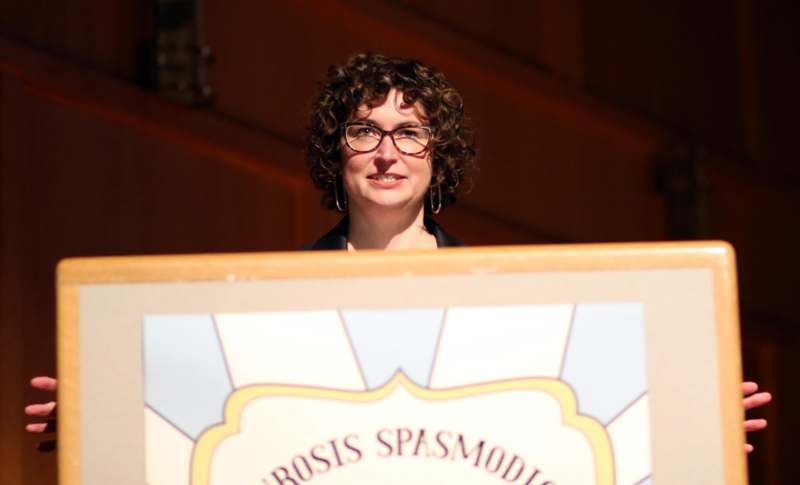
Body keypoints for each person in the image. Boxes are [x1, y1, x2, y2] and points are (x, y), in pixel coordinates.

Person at [26, 52, 771, 451]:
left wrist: (688, 418)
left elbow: (569, 413)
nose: (387, 151)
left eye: (409, 132)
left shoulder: (508, 304)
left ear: (436, 158)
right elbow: (205, 413)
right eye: (364, 130)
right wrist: (104, 418)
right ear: (336, 153)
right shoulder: (267, 306)